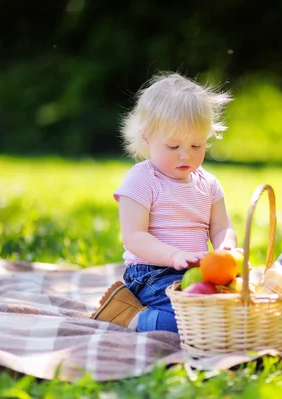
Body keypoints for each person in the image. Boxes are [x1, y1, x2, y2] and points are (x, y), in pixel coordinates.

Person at [91, 72, 237, 333]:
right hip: (151, 272)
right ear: (147, 138)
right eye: (173, 146)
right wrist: (174, 255)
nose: (186, 155)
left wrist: (226, 249)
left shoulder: (208, 183)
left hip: (197, 272)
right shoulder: (143, 179)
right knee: (194, 322)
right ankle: (129, 316)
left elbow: (221, 226)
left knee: (231, 311)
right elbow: (134, 236)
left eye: (196, 145)